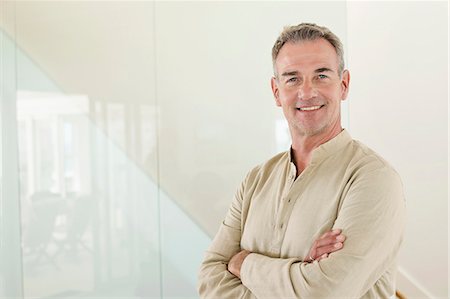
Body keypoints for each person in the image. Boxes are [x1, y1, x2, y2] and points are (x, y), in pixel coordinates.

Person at [198, 23, 406, 298]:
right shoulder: (255, 180)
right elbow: (209, 279)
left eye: (321, 75)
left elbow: (325, 293)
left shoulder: (374, 179)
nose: (307, 92)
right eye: (292, 78)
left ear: (343, 85)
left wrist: (243, 262)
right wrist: (300, 273)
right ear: (276, 91)